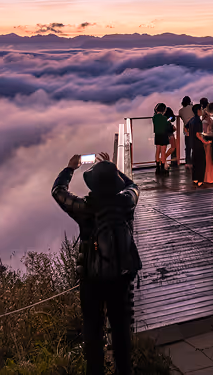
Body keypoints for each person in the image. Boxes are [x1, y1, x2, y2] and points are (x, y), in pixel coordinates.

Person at [51, 153, 140, 375]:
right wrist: (114, 169)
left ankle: (96, 370)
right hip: (120, 275)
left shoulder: (85, 208)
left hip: (92, 278)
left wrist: (70, 168)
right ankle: (124, 370)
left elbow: (58, 192)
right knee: (120, 329)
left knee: (93, 330)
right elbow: (134, 186)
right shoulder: (126, 202)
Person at [187, 104, 207, 186]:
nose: (202, 111)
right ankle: (200, 181)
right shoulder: (198, 121)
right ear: (198, 111)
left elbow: (186, 128)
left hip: (192, 144)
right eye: (201, 110)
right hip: (199, 144)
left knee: (195, 162)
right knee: (201, 163)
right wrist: (205, 142)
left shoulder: (191, 120)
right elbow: (198, 134)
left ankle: (194, 179)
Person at [152, 103, 174, 174]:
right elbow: (168, 123)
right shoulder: (165, 119)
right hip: (164, 135)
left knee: (157, 150)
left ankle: (157, 167)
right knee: (163, 151)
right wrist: (169, 119)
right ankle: (163, 168)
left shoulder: (154, 117)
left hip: (157, 135)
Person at [201, 104, 213, 185]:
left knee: (208, 160)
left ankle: (208, 178)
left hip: (207, 140)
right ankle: (209, 178)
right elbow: (206, 132)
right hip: (208, 141)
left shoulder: (205, 121)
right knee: (209, 160)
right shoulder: (207, 122)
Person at [178, 96, 193, 167]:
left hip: (187, 130)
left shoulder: (181, 111)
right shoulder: (193, 108)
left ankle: (188, 162)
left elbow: (181, 117)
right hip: (195, 129)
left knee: (188, 147)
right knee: (195, 146)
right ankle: (195, 161)